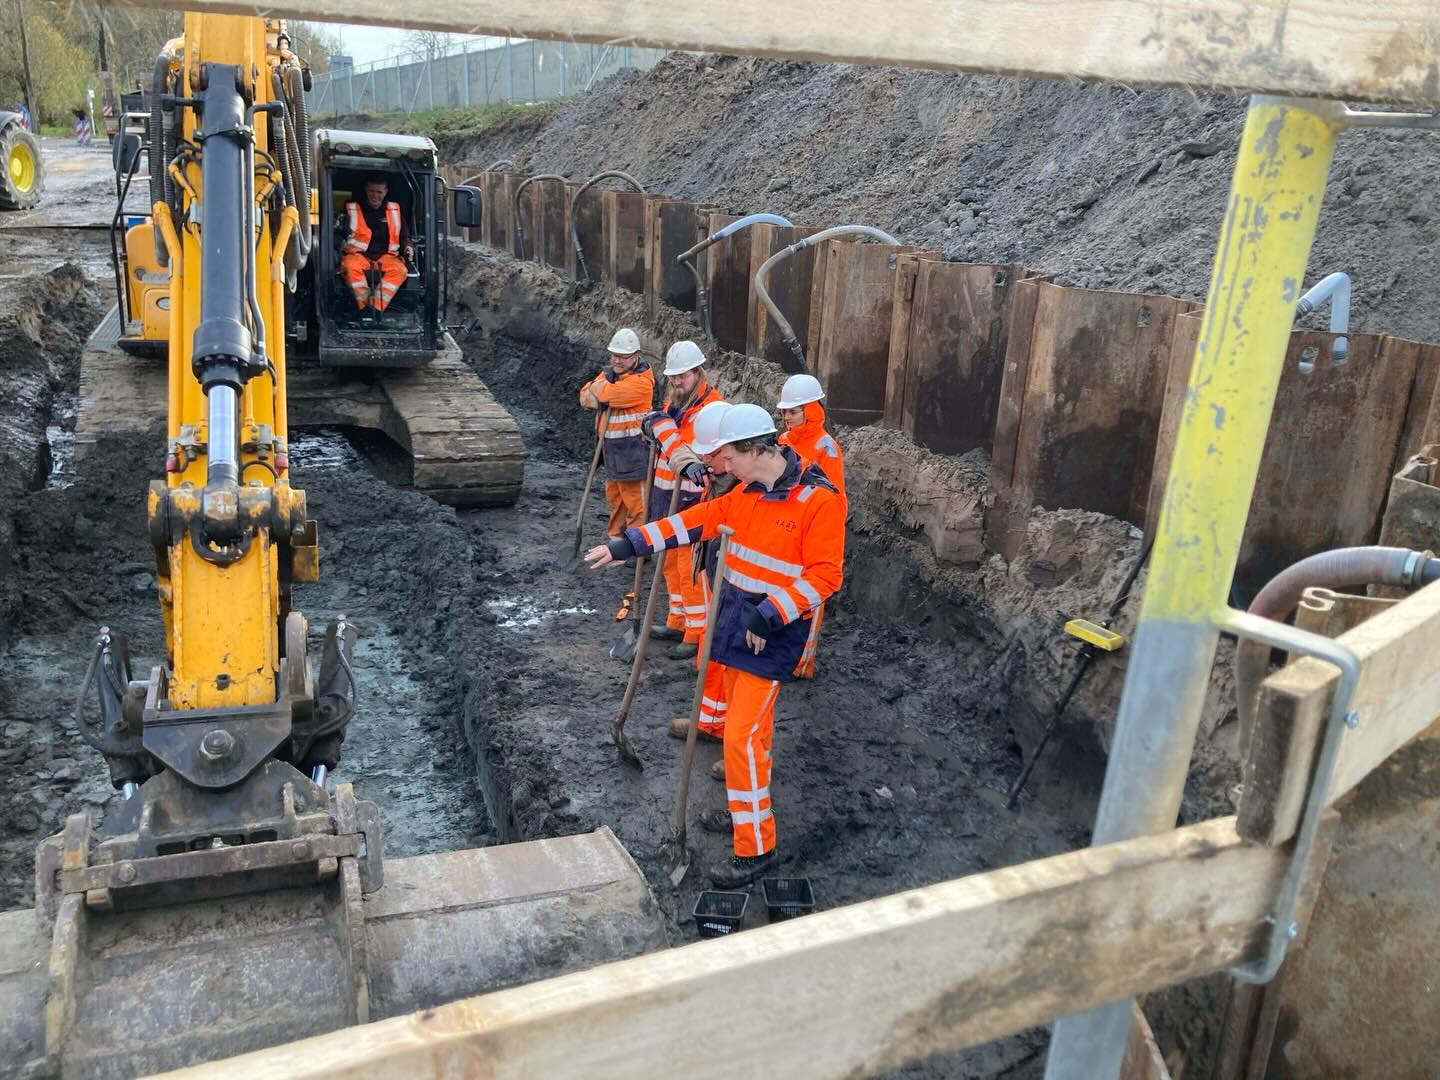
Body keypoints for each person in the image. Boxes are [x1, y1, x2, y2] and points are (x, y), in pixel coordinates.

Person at [586, 403, 844, 887]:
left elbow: (825, 577)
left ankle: (756, 847)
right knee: (752, 737)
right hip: (734, 625)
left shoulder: (817, 501)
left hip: (769, 638)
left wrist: (771, 613)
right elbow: (691, 523)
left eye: (729, 457)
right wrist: (627, 545)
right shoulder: (745, 494)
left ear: (755, 449)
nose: (722, 466)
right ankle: (746, 810)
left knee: (741, 736)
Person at [641, 341, 724, 658]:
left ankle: (697, 631)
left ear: (698, 372)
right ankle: (677, 620)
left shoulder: (712, 408)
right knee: (669, 564)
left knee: (689, 569)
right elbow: (661, 433)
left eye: (683, 376)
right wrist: (654, 426)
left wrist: (662, 428)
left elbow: (685, 448)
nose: (677, 382)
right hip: (666, 495)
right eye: (673, 377)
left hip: (692, 499)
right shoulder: (675, 401)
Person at [662, 400, 734, 745]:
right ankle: (710, 723)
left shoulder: (744, 486)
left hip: (736, 579)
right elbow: (675, 446)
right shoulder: (716, 468)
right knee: (713, 653)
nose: (705, 460)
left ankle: (733, 741)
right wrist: (689, 464)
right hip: (713, 563)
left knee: (727, 656)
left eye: (711, 455)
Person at [579, 328, 655, 618]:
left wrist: (601, 388)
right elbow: (585, 398)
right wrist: (601, 390)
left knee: (637, 503)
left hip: (633, 452)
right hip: (611, 451)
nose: (617, 361)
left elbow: (604, 394)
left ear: (635, 356)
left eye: (623, 357)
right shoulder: (611, 376)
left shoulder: (641, 383)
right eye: (614, 356)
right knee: (615, 501)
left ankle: (639, 546)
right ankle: (616, 542)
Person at [775, 373, 846, 677]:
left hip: (813, 526)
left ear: (811, 409)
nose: (787, 418)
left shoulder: (826, 448)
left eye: (793, 411)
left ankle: (801, 663)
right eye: (784, 412)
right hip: (785, 523)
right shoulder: (784, 441)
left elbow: (834, 496)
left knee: (810, 593)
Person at [338, 174, 415, 314]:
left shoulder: (395, 210)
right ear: (366, 190)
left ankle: (375, 308)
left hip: (386, 256)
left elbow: (404, 236)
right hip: (358, 255)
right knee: (349, 268)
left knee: (400, 271)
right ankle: (363, 308)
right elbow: (339, 233)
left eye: (379, 192)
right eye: (372, 191)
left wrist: (408, 247)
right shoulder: (351, 208)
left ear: (385, 192)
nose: (375, 195)